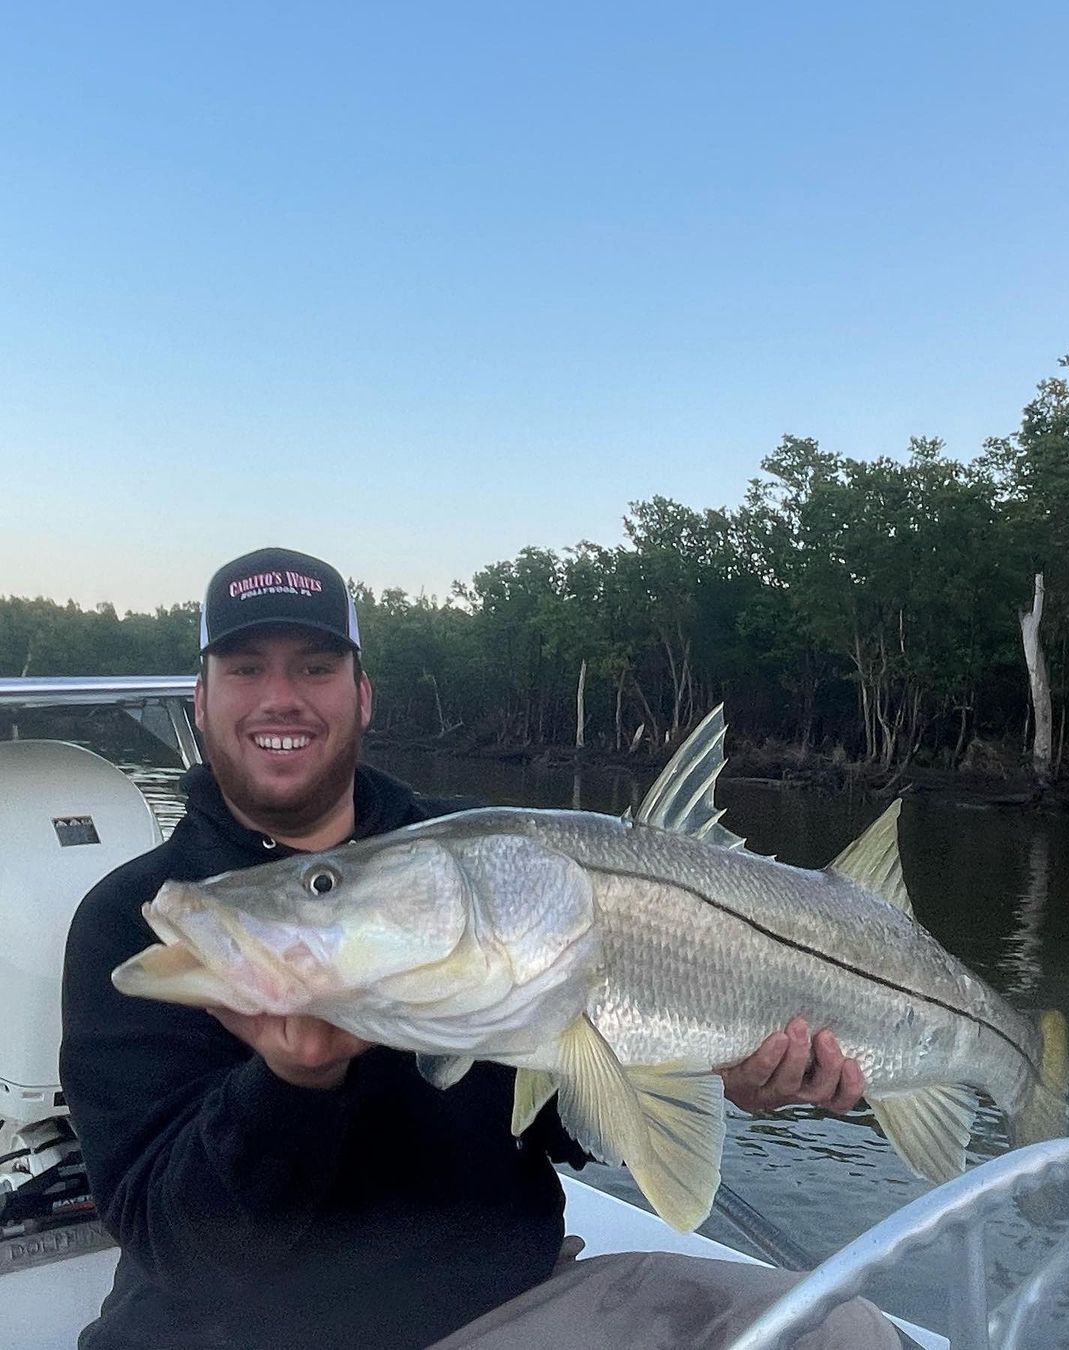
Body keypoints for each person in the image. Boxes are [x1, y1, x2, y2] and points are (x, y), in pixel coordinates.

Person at [60, 547, 894, 1350]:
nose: (282, 696)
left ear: (363, 696)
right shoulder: (138, 919)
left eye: (316, 667)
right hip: (229, 1336)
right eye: (245, 668)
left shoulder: (494, 857)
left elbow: (557, 1128)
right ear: (201, 700)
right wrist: (292, 1087)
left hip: (512, 1311)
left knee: (841, 1332)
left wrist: (713, 1060)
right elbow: (175, 1252)